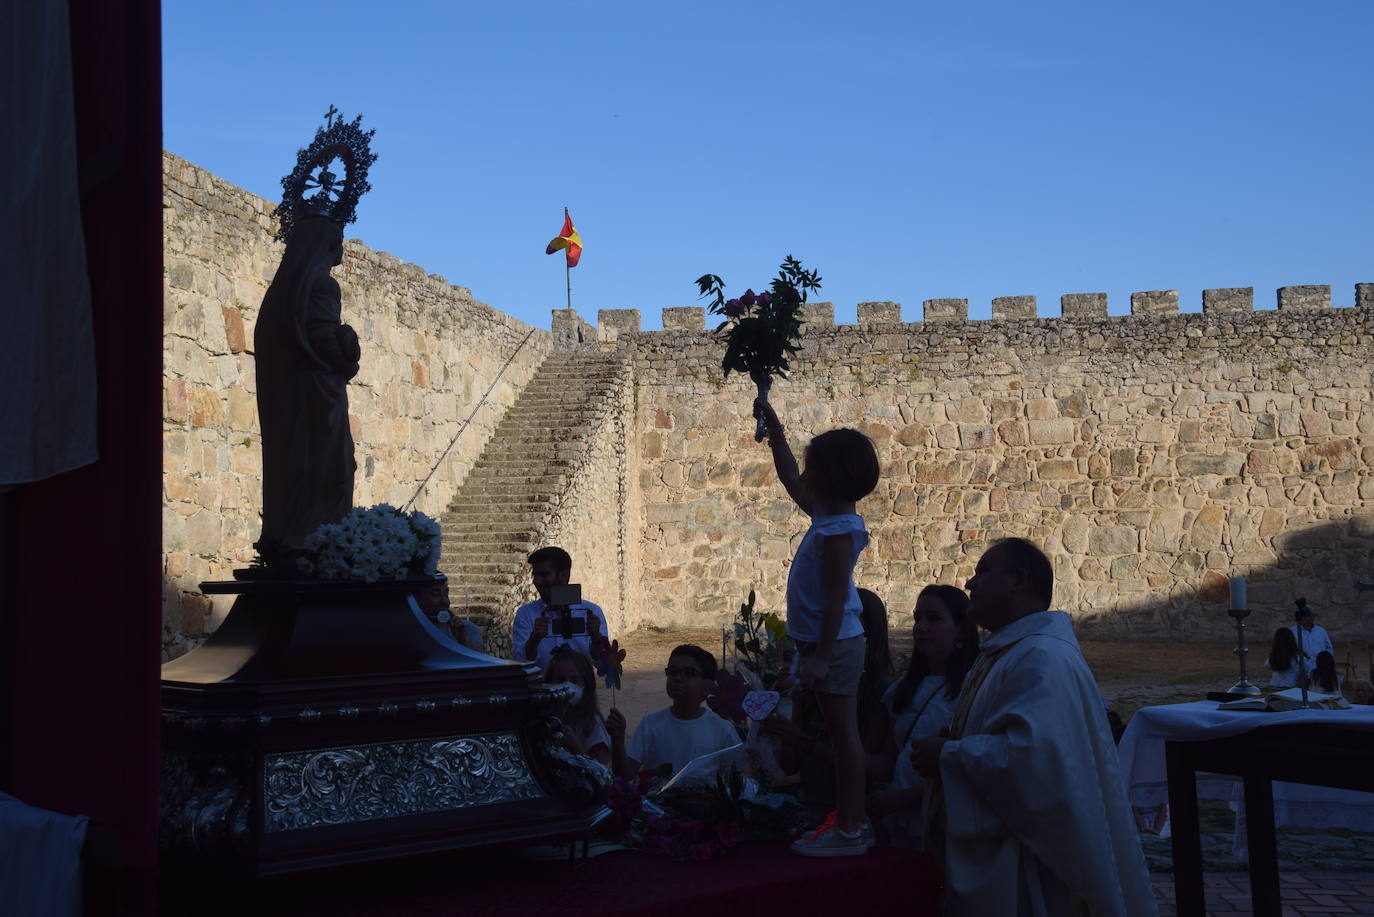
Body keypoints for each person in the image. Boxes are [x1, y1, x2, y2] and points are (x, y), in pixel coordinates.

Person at [911, 538, 1155, 916]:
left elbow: (1037, 762)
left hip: (1028, 868)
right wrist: (959, 740)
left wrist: (949, 755)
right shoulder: (1010, 651)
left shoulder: (1042, 656)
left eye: (983, 571)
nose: (970, 583)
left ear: (1018, 580)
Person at [755, 397, 881, 857]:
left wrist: (823, 657)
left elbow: (834, 599)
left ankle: (851, 826)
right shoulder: (828, 516)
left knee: (844, 737)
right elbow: (789, 476)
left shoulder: (838, 530)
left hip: (837, 646)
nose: (803, 474)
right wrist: (776, 430)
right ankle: (845, 819)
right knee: (835, 732)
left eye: (812, 468)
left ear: (829, 476)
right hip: (821, 645)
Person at [254, 215, 360, 555]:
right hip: (321, 391)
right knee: (332, 469)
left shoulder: (286, 288)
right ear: (327, 242)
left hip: (298, 390)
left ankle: (292, 529)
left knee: (301, 462)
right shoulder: (324, 284)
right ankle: (319, 538)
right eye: (338, 238)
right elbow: (321, 335)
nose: (341, 246)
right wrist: (348, 359)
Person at [762, 588, 894, 813]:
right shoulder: (810, 686)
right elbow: (790, 764)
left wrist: (805, 742)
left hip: (860, 810)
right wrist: (776, 732)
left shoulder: (881, 691)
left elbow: (875, 767)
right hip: (810, 805)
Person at [866, 584, 978, 847]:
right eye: (918, 618)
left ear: (960, 628)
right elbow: (888, 760)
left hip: (947, 826)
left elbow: (971, 771)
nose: (921, 627)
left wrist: (906, 797)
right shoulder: (901, 691)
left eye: (934, 619)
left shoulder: (973, 691)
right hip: (900, 825)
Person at [605, 645, 740, 779]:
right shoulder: (650, 725)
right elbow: (625, 775)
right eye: (672, 671)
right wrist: (617, 740)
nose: (678, 678)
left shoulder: (722, 730)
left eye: (689, 673)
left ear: (707, 686)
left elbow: (737, 779)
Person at [510, 546, 609, 668]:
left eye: (544, 574)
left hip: (580, 685)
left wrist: (596, 637)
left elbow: (603, 664)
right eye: (535, 575)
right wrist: (534, 640)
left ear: (563, 575)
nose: (537, 581)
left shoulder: (591, 612)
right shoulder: (526, 614)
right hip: (541, 686)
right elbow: (520, 662)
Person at [544, 647, 611, 767]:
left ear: (587, 685)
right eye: (560, 680)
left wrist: (576, 747)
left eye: (575, 681)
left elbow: (603, 772)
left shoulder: (591, 726)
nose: (568, 685)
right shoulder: (546, 721)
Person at [412, 580, 484, 652]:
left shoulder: (466, 628)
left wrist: (462, 640)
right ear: (418, 598)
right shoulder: (410, 631)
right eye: (435, 594)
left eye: (446, 594)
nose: (445, 601)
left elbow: (479, 656)